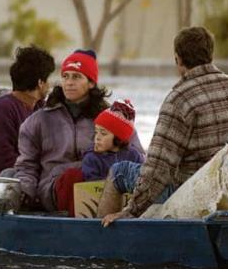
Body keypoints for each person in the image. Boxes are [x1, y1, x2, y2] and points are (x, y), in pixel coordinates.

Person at [101, 26, 228, 225]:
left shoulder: (179, 99)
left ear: (178, 60)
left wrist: (131, 211)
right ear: (210, 55)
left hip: (192, 191)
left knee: (119, 170)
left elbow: (157, 169)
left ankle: (101, 237)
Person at [14, 49, 143, 212]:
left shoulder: (113, 119)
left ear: (91, 83)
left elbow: (137, 158)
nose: (69, 82)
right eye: (65, 76)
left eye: (76, 77)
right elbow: (27, 166)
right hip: (55, 188)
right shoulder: (39, 121)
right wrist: (25, 195)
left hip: (106, 185)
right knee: (73, 177)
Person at [0, 45, 56, 177]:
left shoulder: (40, 108)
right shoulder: (4, 108)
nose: (50, 85)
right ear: (40, 82)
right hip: (10, 178)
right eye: (48, 80)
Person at [80, 99, 144, 181]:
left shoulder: (134, 156)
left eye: (103, 133)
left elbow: (143, 177)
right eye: (96, 132)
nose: (97, 137)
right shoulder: (92, 158)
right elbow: (90, 184)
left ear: (118, 138)